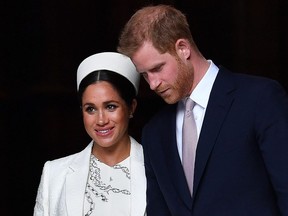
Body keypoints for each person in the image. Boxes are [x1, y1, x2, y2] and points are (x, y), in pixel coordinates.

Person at [117, 4, 288, 216]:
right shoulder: (154, 133)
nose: (152, 84)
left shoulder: (259, 99)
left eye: (157, 68)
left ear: (183, 48)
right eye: (144, 74)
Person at [33, 52, 146, 216]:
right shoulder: (55, 173)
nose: (101, 120)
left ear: (131, 107)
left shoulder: (157, 169)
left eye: (111, 107)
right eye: (90, 109)